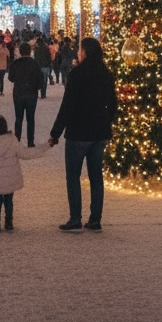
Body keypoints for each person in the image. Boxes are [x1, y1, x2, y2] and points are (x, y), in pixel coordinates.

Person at [49, 36, 117, 232]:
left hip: (79, 132)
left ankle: (75, 218)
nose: (78, 53)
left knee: (73, 176)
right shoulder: (106, 74)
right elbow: (112, 104)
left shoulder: (77, 74)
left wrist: (56, 132)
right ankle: (95, 219)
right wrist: (106, 122)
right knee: (96, 177)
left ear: (85, 52)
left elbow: (68, 105)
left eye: (80, 50)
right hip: (99, 132)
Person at [0, 113, 49, 231]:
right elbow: (25, 154)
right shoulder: (12, 139)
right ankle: (8, 223)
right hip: (10, 180)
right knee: (8, 201)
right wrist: (46, 146)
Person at [8, 42, 42, 147]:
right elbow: (40, 80)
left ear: (20, 52)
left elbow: (10, 78)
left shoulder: (15, 63)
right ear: (30, 51)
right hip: (31, 93)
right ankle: (30, 141)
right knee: (30, 118)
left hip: (18, 93)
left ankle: (17, 140)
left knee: (19, 118)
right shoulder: (35, 63)